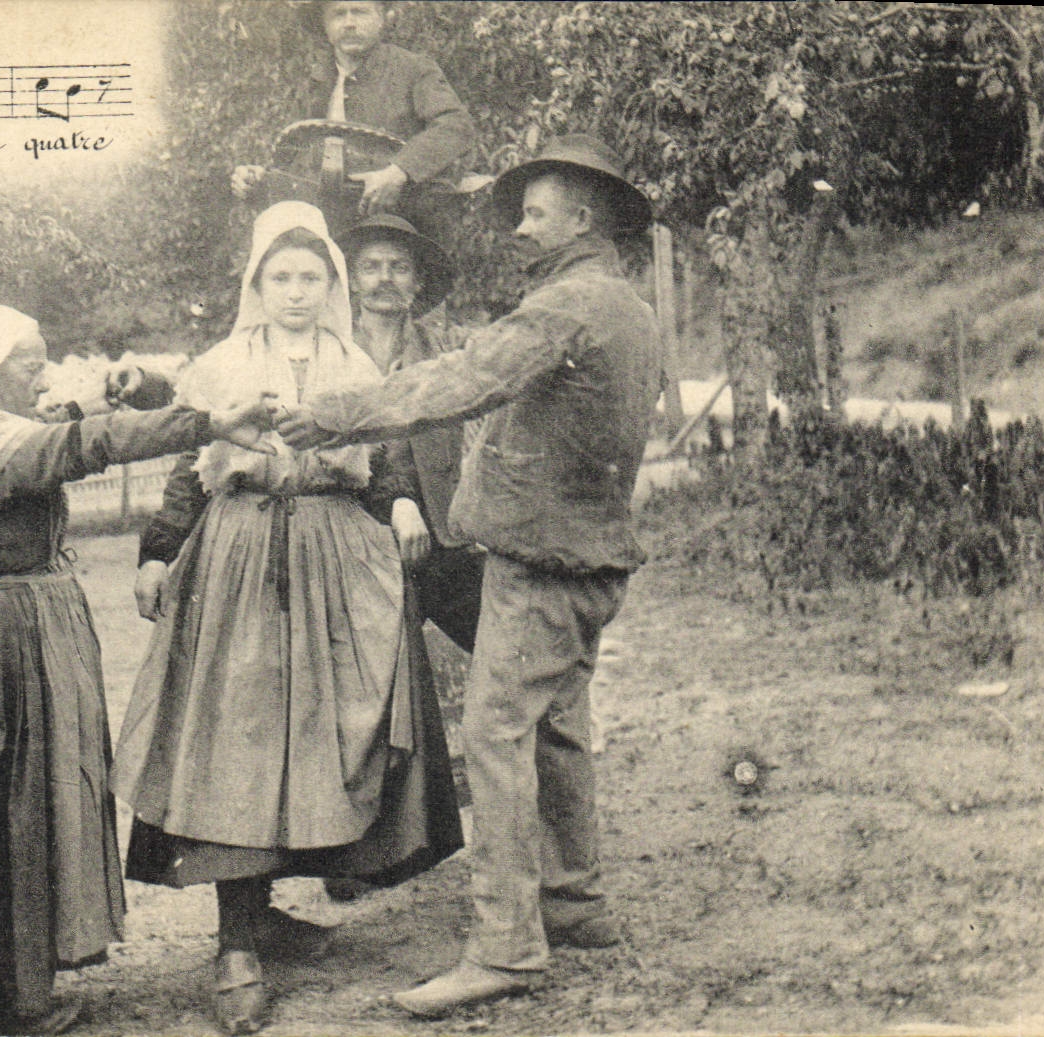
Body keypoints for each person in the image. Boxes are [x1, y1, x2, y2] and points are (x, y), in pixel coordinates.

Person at [272, 135, 662, 1018]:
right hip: (594, 559)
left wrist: (333, 413)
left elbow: (458, 381)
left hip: (538, 563)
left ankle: (506, 947)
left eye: (534, 212)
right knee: (557, 728)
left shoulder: (565, 306)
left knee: (494, 739)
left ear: (584, 217)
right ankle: (573, 901)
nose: (520, 229)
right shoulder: (628, 307)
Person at [0, 301, 270, 1036]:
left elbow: (74, 417)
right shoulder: (1, 446)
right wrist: (205, 424)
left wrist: (107, 388)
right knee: (15, 800)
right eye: (28, 361)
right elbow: (90, 444)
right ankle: (7, 1001)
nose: (42, 372)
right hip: (7, 639)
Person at [113, 201, 463, 1035]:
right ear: (257, 284)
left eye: (311, 277)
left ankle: (272, 909)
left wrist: (407, 504)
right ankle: (235, 939)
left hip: (337, 555)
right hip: (237, 558)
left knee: (326, 734)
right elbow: (190, 476)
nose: (296, 292)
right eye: (281, 278)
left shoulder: (353, 364)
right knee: (236, 738)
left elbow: (389, 460)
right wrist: (159, 553)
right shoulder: (220, 363)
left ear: (329, 285)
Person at [320, 212, 484, 905]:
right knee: (358, 692)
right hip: (358, 533)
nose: (385, 279)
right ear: (352, 280)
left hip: (442, 536)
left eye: (399, 267)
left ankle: (525, 818)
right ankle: (346, 849)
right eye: (372, 267)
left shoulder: (446, 346)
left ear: (417, 282)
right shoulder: (329, 349)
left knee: (506, 647)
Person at [231, 1, 477, 218]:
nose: (349, 23)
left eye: (360, 12)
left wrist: (400, 171)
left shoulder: (413, 69)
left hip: (396, 217)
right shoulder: (315, 81)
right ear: (325, 26)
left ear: (382, 18)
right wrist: (259, 178)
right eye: (339, 14)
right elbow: (294, 155)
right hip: (325, 217)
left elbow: (455, 126)